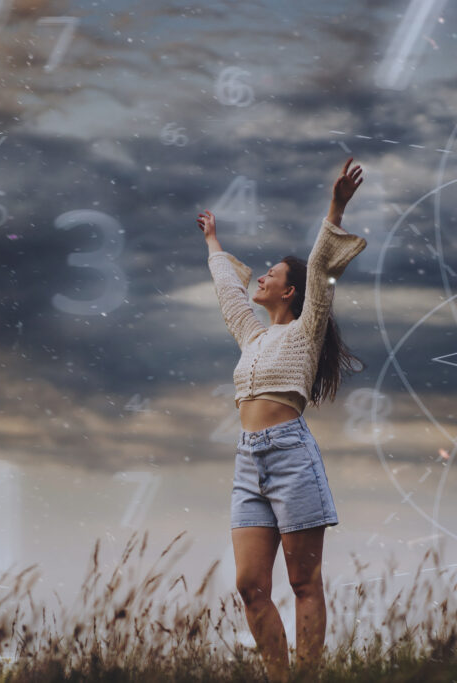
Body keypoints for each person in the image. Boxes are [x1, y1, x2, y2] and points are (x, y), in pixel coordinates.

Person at [197, 158, 367, 682]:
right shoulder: (253, 336)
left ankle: (309, 679)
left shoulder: (306, 330)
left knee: (303, 581)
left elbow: (319, 270)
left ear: (289, 292)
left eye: (271, 273)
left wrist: (336, 206)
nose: (263, 276)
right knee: (250, 584)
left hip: (291, 453)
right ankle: (279, 678)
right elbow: (229, 297)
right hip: (249, 460)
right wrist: (213, 243)